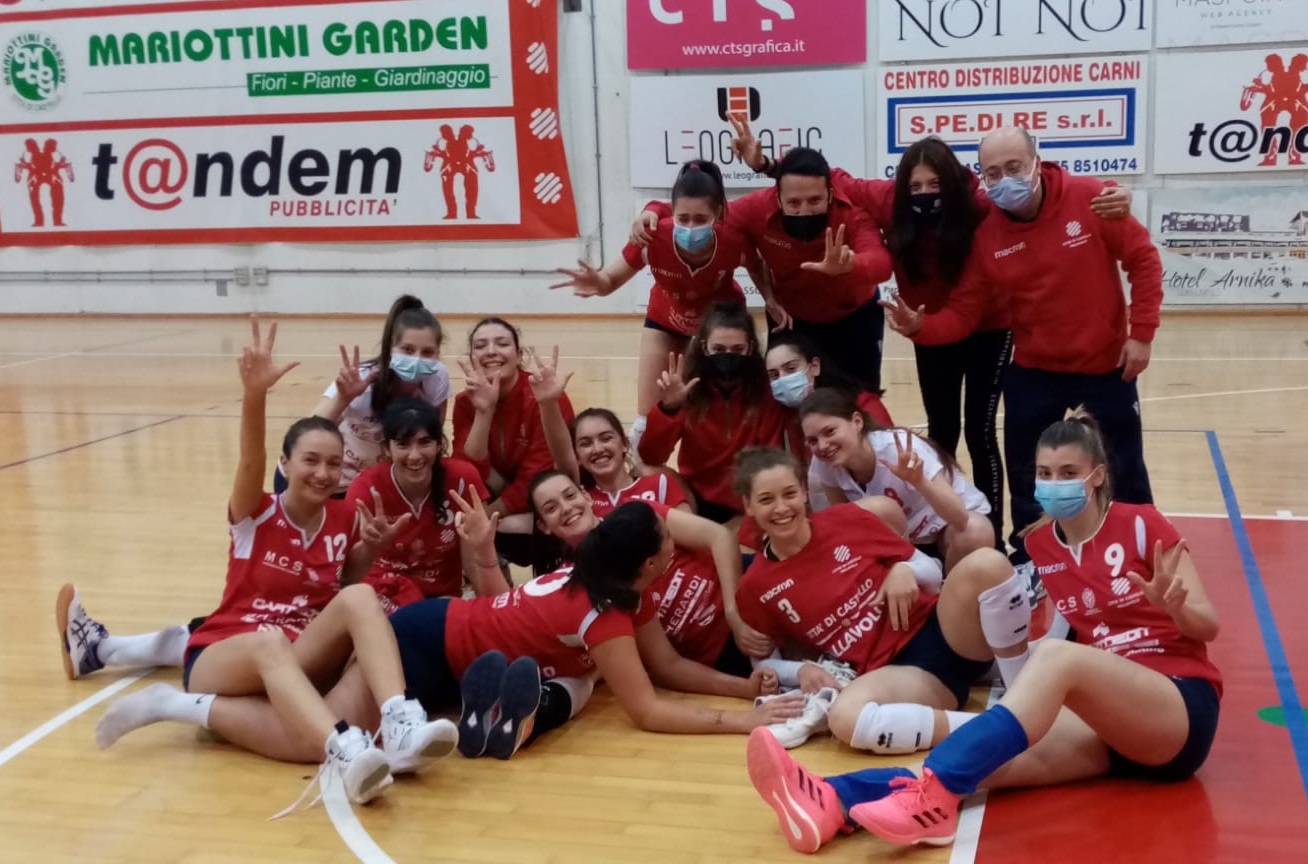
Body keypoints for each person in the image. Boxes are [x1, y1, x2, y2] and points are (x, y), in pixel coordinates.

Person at [745, 411, 1220, 852]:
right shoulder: (1043, 544)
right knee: (980, 765)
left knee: (1054, 660)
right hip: (1108, 723)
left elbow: (1208, 626)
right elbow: (1070, 629)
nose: (1055, 484)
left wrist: (1175, 609)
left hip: (1176, 706)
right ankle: (834, 799)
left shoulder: (1141, 523)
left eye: (1068, 473)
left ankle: (929, 803)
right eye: (1046, 474)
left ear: (1096, 476)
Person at [94, 319, 455, 809]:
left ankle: (400, 719)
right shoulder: (255, 511)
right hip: (227, 655)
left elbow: (345, 584)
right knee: (271, 646)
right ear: (284, 465)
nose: (324, 472)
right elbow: (249, 458)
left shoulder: (344, 516)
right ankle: (342, 747)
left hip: (297, 656)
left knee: (361, 596)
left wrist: (370, 548)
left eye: (333, 463)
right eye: (311, 460)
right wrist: (254, 395)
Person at [883, 127, 1161, 575]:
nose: (1004, 179)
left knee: (1124, 468)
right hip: (1035, 369)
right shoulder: (987, 236)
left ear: (1036, 161)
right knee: (1028, 477)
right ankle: (1034, 559)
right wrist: (921, 327)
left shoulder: (1091, 198)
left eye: (1014, 167)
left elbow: (1143, 260)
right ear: (981, 177)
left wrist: (1142, 333)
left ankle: (1144, 551)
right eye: (992, 173)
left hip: (1105, 364)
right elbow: (964, 313)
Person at [733, 447, 1033, 752]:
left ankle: (1023, 695)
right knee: (845, 719)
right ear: (748, 506)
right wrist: (799, 670)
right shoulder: (755, 585)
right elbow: (763, 663)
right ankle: (999, 727)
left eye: (789, 494)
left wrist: (906, 570)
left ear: (804, 492)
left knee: (987, 563)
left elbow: (932, 571)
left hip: (944, 630)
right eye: (766, 500)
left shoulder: (847, 520)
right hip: (898, 673)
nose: (782, 508)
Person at [633, 148, 894, 394]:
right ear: (777, 198)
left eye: (815, 200)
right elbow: (702, 212)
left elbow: (882, 264)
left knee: (862, 401)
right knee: (785, 402)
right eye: (794, 202)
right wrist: (654, 209)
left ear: (830, 193)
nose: (804, 210)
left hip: (854, 318)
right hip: (790, 320)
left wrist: (851, 266)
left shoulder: (852, 214)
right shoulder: (756, 209)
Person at [551, 160, 749, 451]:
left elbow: (760, 266)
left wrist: (771, 299)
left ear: (718, 214)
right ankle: (641, 471)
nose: (690, 227)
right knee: (646, 417)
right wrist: (597, 283)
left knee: (723, 410)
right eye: (683, 218)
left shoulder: (733, 238)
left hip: (718, 328)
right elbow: (610, 279)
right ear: (671, 212)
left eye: (700, 219)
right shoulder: (652, 236)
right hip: (666, 321)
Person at [526, 468, 773, 671]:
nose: (566, 508)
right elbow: (659, 663)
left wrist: (733, 613)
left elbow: (720, 536)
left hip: (741, 592)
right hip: (715, 650)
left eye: (570, 495)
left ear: (586, 495)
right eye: (551, 508)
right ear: (543, 526)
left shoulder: (634, 512)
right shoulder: (575, 582)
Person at [636, 302, 798, 526]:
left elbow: (769, 458)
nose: (727, 356)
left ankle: (715, 534)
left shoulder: (765, 391)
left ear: (751, 348)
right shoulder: (687, 388)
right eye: (719, 349)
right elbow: (651, 457)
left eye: (737, 349)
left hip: (747, 499)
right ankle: (705, 532)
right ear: (704, 347)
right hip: (694, 495)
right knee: (644, 469)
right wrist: (669, 408)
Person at [798, 388, 994, 571]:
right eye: (813, 440)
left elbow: (960, 518)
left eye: (830, 432)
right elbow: (845, 524)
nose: (822, 446)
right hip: (901, 537)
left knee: (975, 532)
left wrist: (920, 481)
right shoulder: (824, 464)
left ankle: (950, 592)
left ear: (857, 422)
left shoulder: (897, 449)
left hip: (947, 525)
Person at [345, 397, 501, 612]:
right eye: (403, 444)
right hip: (380, 599)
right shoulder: (365, 488)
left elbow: (474, 563)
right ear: (387, 448)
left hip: (439, 600)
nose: (415, 455)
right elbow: (347, 574)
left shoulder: (462, 480)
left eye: (424, 442)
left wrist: (494, 616)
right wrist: (371, 546)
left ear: (439, 445)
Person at [297, 294, 450, 495]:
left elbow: (433, 435)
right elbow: (306, 434)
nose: (417, 359)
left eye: (428, 352)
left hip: (389, 483)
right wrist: (343, 399)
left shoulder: (437, 377)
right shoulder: (361, 379)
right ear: (390, 347)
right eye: (408, 349)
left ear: (438, 353)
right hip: (340, 483)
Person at [453, 317, 575, 565]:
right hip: (500, 494)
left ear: (519, 355)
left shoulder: (542, 395)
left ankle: (556, 575)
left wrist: (487, 516)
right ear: (472, 357)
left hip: (544, 499)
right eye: (480, 346)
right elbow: (465, 468)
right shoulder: (465, 402)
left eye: (502, 343)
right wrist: (484, 411)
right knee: (456, 509)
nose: (491, 351)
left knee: (499, 526)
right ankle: (489, 572)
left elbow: (539, 476)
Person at [764, 331, 892, 426]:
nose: (782, 379)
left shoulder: (862, 404)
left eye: (791, 368)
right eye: (774, 375)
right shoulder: (774, 414)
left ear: (814, 366)